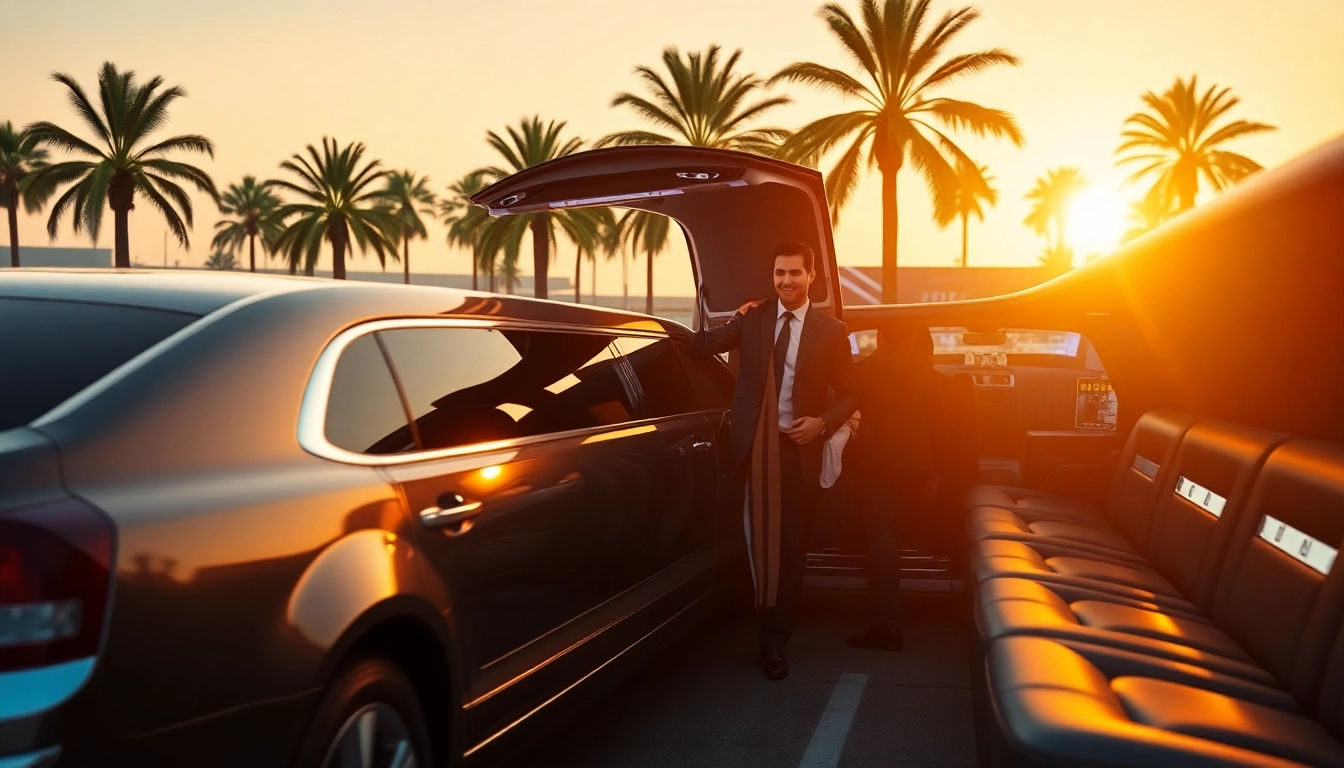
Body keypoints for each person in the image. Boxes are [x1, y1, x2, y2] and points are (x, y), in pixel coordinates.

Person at [690, 240, 857, 680]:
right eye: (779, 273)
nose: (786, 281)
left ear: (811, 276)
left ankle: (775, 641)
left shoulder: (833, 331)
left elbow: (854, 393)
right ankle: (746, 620)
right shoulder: (754, 318)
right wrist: (734, 318)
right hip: (749, 450)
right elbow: (700, 346)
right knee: (749, 541)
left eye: (795, 273)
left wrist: (821, 423)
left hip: (797, 451)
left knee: (792, 550)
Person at [848, 322, 939, 651]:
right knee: (897, 536)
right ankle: (899, 616)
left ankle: (886, 625)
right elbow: (937, 422)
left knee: (881, 538)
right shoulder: (927, 372)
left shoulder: (863, 370)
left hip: (877, 465)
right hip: (917, 467)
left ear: (881, 336)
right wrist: (934, 471)